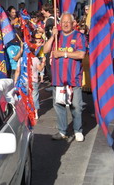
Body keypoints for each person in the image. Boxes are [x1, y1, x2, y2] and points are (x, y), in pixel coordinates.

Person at [43, 12, 87, 141]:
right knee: (59, 105)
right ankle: (62, 131)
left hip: (74, 78)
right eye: (63, 22)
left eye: (68, 22)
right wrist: (52, 37)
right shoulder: (57, 37)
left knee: (76, 106)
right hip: (58, 78)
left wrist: (64, 54)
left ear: (73, 23)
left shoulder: (79, 36)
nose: (66, 24)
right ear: (60, 24)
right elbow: (45, 50)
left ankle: (77, 130)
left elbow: (81, 54)